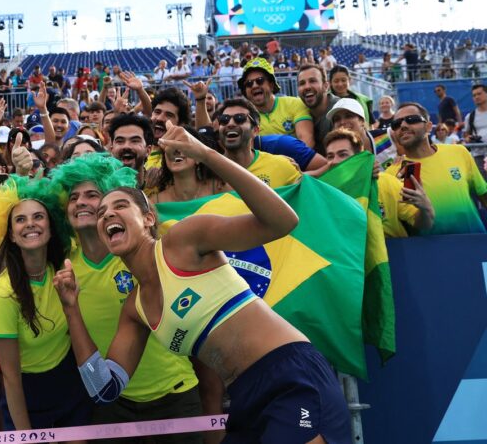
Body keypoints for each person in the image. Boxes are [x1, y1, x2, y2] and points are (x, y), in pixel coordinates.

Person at [52, 122, 350, 443]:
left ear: (149, 218)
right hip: (243, 396)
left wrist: (205, 154)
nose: (107, 215)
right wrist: (71, 309)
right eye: (101, 214)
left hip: (290, 374)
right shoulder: (135, 309)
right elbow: (104, 389)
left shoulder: (182, 240)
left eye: (120, 206)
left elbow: (283, 221)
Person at [50, 153, 204, 444]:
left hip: (176, 397)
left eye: (92, 195)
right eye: (73, 197)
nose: (81, 202)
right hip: (113, 405)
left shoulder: (143, 256)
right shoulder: (63, 267)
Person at [0, 175, 93, 431]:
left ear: (51, 226)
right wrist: (25, 434)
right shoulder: (4, 294)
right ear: (10, 234)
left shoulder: (64, 269)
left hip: (70, 384)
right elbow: (10, 376)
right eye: (20, 219)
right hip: (28, 393)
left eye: (38, 216)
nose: (30, 224)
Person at [386, 102, 487, 235]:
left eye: (412, 119)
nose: (403, 126)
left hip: (475, 244)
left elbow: (483, 193)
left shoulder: (459, 152)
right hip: (430, 253)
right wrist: (424, 209)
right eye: (396, 124)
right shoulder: (392, 174)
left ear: (428, 127)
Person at [324, 129, 434, 238]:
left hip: (395, 252)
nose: (335, 161)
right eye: (330, 156)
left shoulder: (386, 182)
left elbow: (424, 225)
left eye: (342, 154)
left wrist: (425, 208)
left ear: (360, 158)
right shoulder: (323, 193)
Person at [217, 98, 302, 188]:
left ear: (255, 131)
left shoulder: (282, 166)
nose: (230, 124)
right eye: (224, 119)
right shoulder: (209, 172)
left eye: (239, 118)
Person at [238, 58, 315, 148]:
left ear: (271, 84)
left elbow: (307, 141)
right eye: (249, 83)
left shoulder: (295, 104)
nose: (254, 85)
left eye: (260, 80)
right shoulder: (243, 118)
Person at [297, 64, 339, 153]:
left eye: (312, 81)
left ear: (326, 86)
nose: (307, 87)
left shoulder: (340, 110)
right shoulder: (296, 110)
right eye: (302, 83)